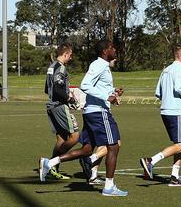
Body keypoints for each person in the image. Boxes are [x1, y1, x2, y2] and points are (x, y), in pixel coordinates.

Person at [40, 40, 127, 197]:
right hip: (98, 112)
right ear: (105, 51)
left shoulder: (103, 66)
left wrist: (114, 92)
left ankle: (50, 163)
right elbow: (85, 85)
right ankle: (109, 186)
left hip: (92, 112)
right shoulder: (99, 65)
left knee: (86, 149)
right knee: (114, 146)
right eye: (112, 48)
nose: (115, 50)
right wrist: (108, 97)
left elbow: (99, 87)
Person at [140, 44, 181, 186]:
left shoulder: (166, 69)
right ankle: (151, 161)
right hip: (174, 111)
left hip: (165, 110)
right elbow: (180, 88)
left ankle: (174, 176)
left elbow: (158, 93)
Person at [43, 42, 79, 181]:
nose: (71, 58)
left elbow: (47, 89)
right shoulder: (61, 68)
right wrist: (69, 98)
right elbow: (58, 89)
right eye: (70, 55)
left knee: (61, 138)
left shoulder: (51, 67)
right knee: (74, 137)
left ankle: (52, 170)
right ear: (65, 54)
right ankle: (51, 163)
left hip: (51, 106)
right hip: (59, 106)